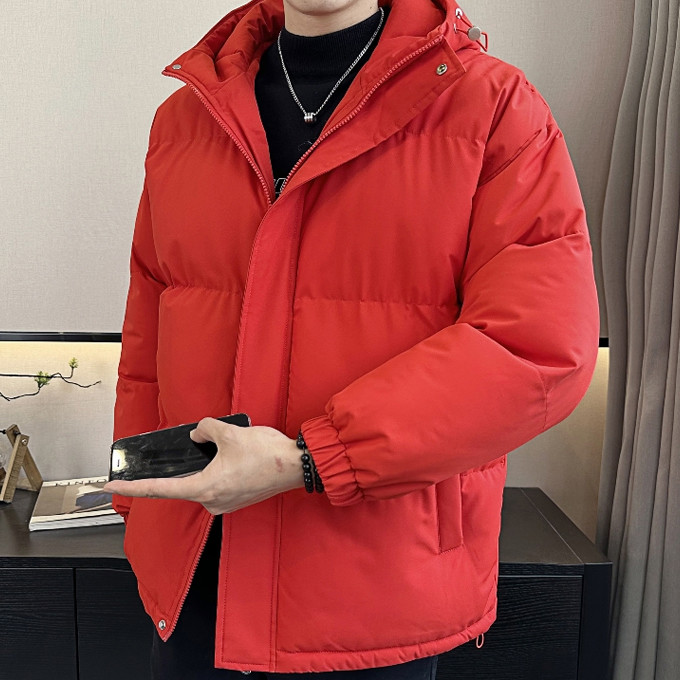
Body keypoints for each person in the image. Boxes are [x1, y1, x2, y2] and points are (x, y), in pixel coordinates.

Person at [103, 0, 600, 677]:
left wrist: (314, 457)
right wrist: (136, 501)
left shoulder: (491, 107)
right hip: (194, 583)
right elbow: (150, 329)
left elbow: (536, 344)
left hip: (375, 595)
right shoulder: (185, 118)